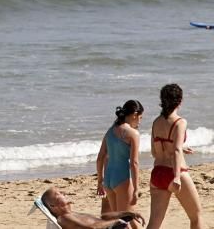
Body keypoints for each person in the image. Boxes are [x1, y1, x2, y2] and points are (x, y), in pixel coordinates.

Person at [144, 84, 204, 229]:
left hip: (157, 174)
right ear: (180, 101)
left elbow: (154, 152)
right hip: (175, 173)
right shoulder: (180, 122)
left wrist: (180, 148)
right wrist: (176, 177)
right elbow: (176, 150)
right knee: (196, 216)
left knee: (154, 223)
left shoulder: (156, 122)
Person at [96, 100, 143, 214]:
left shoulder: (110, 131)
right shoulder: (133, 133)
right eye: (140, 118)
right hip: (122, 178)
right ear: (134, 115)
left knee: (117, 220)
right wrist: (136, 188)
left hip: (108, 180)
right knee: (126, 219)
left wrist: (100, 181)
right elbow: (134, 163)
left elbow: (100, 158)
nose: (140, 122)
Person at [42, 186, 145, 229]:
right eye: (59, 194)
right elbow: (92, 227)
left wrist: (127, 213)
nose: (63, 192)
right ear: (53, 206)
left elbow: (101, 218)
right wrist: (116, 221)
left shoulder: (71, 214)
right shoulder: (64, 218)